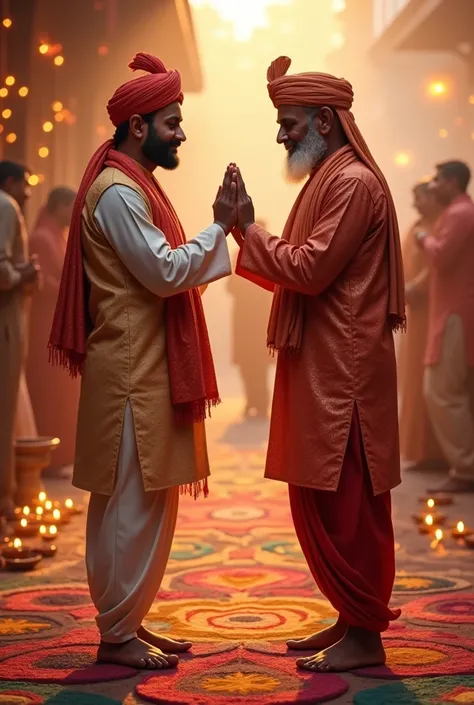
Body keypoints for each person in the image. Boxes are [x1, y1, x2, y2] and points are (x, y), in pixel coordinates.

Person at [48, 54, 234, 669]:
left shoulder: (131, 185)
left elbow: (166, 275)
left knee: (144, 502)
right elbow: (163, 273)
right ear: (138, 126)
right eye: (173, 122)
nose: (181, 134)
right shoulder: (120, 193)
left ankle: (126, 624)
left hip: (143, 365)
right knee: (130, 503)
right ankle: (117, 633)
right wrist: (220, 228)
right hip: (131, 370)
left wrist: (210, 240)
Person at [229, 56, 405, 672]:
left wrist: (248, 230)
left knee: (349, 500)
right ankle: (349, 619)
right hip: (327, 362)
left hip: (346, 373)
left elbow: (309, 268)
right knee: (325, 495)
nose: (280, 136)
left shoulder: (352, 183)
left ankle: (365, 633)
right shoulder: (329, 177)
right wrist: (247, 234)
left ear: (326, 122)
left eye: (289, 123)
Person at [416, 161, 474, 494]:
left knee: (443, 391)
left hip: (454, 314)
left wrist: (424, 237)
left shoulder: (459, 214)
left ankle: (465, 467)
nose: (432, 185)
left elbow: (441, 257)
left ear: (452, 182)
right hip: (451, 311)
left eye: (437, 180)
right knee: (449, 391)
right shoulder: (457, 212)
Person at [27, 187, 79, 471]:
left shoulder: (57, 236)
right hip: (45, 326)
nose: (73, 215)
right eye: (70, 208)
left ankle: (63, 455)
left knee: (63, 390)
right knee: (49, 391)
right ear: (58, 205)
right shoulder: (40, 238)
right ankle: (50, 458)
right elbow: (42, 283)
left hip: (60, 324)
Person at [0, 161, 40, 519]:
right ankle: (4, 498)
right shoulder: (4, 206)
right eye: (25, 185)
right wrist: (24, 272)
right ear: (10, 182)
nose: (29, 193)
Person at [398, 182, 444, 470]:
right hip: (416, 313)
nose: (415, 204)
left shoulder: (442, 224)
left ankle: (437, 452)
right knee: (412, 376)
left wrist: (416, 287)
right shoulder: (416, 226)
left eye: (419, 198)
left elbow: (441, 264)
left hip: (435, 310)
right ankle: (419, 450)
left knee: (435, 380)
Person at [227, 218, 273, 420]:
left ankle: (260, 403)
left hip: (255, 320)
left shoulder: (267, 254)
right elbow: (230, 286)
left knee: (257, 365)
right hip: (248, 320)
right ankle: (253, 401)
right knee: (249, 365)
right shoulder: (242, 253)